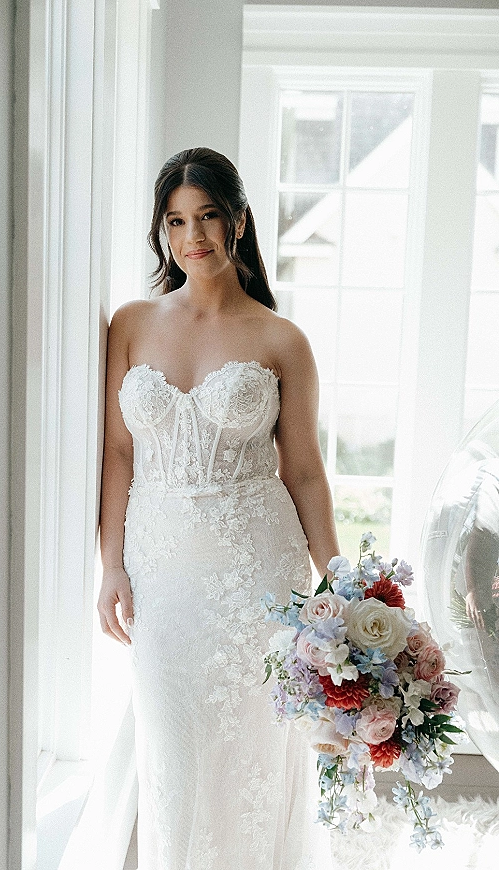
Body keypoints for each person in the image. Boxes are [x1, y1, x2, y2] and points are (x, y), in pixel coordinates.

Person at [98, 148, 340, 869]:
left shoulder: (280, 339)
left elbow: (303, 471)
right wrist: (109, 564)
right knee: (172, 747)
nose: (192, 235)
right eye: (175, 221)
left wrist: (342, 585)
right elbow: (117, 453)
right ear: (161, 232)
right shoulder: (132, 324)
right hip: (161, 567)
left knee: (250, 751)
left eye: (206, 216)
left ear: (238, 221)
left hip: (257, 573)